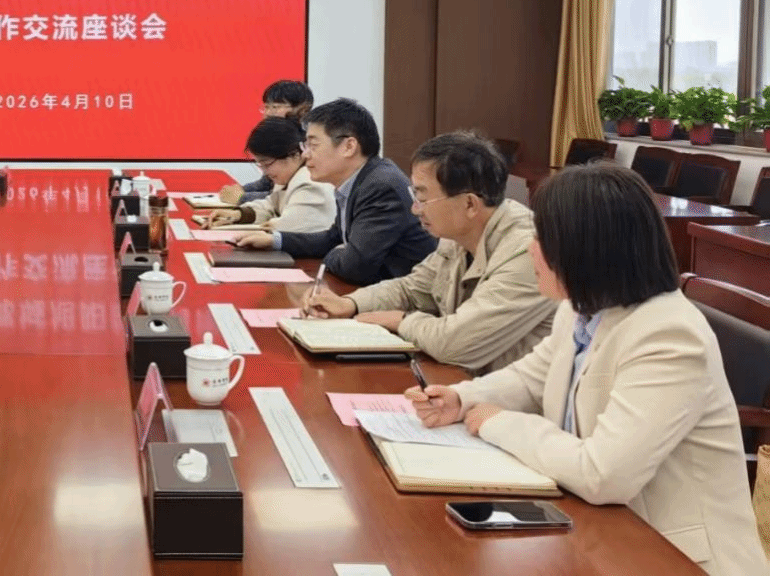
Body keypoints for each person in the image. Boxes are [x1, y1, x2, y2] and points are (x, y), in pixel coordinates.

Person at [407, 164, 766, 575]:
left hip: (671, 555)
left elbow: (603, 474)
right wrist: (462, 398)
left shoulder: (668, 335)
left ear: (587, 250)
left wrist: (496, 422)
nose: (530, 250)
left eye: (544, 239)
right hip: (595, 529)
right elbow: (533, 375)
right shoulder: (581, 307)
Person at [304, 131, 555, 374]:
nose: (415, 209)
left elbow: (456, 344)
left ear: (469, 204)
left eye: (422, 198)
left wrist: (402, 320)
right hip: (467, 383)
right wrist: (351, 303)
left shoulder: (528, 252)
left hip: (513, 397)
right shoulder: (460, 233)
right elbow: (412, 289)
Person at [236, 98, 435, 284]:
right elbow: (333, 238)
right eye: (305, 145)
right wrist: (275, 240)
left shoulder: (380, 186)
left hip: (403, 299)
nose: (305, 155)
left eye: (313, 145)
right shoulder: (357, 180)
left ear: (349, 147)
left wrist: (334, 253)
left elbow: (355, 266)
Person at [204, 116, 335, 234]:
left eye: (267, 164)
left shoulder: (311, 183)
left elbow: (288, 227)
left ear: (294, 154)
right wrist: (238, 215)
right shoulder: (288, 176)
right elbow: (270, 206)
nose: (264, 172)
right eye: (260, 165)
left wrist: (254, 226)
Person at [218, 79, 314, 205]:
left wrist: (242, 197)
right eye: (266, 107)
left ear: (302, 110)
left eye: (275, 107)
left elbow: (289, 195)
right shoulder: (280, 137)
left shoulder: (308, 142)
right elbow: (267, 183)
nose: (268, 113)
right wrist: (240, 190)